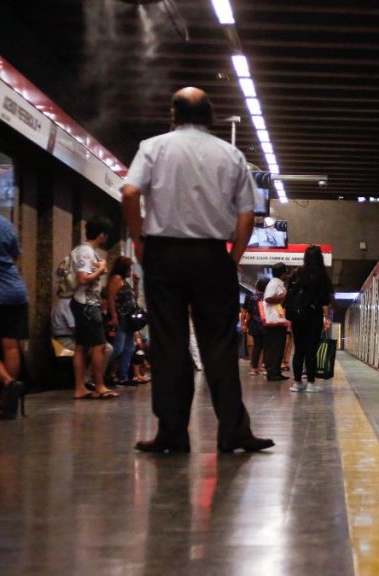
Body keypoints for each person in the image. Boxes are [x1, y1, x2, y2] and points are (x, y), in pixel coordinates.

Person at [121, 86, 273, 453]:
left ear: (173, 115)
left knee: (170, 344)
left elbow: (129, 193)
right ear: (211, 117)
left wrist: (139, 239)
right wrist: (232, 256)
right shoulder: (230, 154)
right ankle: (233, 432)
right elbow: (247, 213)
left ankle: (172, 433)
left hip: (163, 254)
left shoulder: (153, 147)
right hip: (211, 256)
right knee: (219, 345)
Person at [72, 217, 119, 400]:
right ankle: (99, 386)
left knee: (81, 347)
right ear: (101, 234)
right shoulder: (85, 252)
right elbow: (83, 278)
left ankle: (80, 388)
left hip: (84, 302)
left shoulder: (87, 250)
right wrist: (100, 270)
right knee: (99, 346)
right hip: (87, 304)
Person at [0, 206, 27, 419]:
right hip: (16, 291)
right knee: (10, 346)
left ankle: (8, 383)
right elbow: (15, 256)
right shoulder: (4, 224)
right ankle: (7, 402)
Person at [288, 246, 332, 392]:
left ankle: (297, 382)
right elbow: (325, 300)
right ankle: (311, 383)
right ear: (320, 257)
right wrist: (326, 318)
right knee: (311, 349)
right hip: (313, 316)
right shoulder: (321, 275)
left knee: (298, 348)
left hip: (298, 316)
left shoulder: (296, 273)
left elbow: (290, 296)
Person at [105, 256, 138, 387]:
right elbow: (111, 298)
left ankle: (123, 376)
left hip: (129, 319)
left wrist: (135, 284)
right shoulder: (116, 279)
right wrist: (114, 316)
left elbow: (133, 298)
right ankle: (102, 369)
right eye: (129, 267)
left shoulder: (125, 281)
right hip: (121, 317)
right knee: (118, 348)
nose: (131, 270)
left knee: (128, 348)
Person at [262, 263, 291, 381]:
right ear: (282, 273)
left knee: (279, 346)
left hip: (278, 319)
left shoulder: (278, 283)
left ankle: (276, 371)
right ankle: (272, 372)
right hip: (273, 321)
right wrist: (283, 297)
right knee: (274, 346)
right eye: (286, 272)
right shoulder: (274, 284)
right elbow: (268, 298)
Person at [245, 278, 268, 375]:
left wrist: (244, 324)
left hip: (254, 324)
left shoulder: (250, 297)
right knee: (267, 346)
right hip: (267, 323)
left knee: (257, 346)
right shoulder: (269, 297)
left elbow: (246, 312)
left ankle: (254, 368)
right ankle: (265, 367)